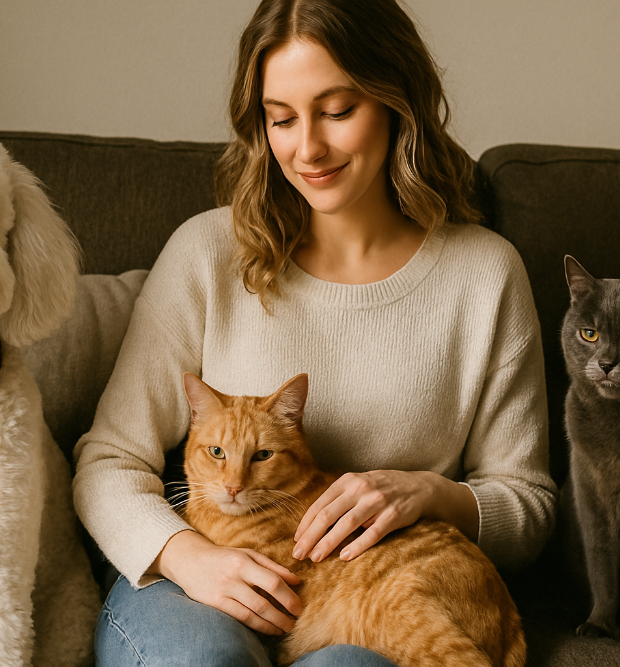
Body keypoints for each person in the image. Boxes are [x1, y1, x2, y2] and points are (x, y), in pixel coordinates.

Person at [73, 0, 557, 664]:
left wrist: (431, 493)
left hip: (366, 592)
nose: (308, 148)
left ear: (397, 101)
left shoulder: (484, 275)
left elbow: (528, 504)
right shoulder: (204, 254)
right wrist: (190, 557)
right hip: (196, 575)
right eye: (281, 119)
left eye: (336, 111)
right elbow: (106, 462)